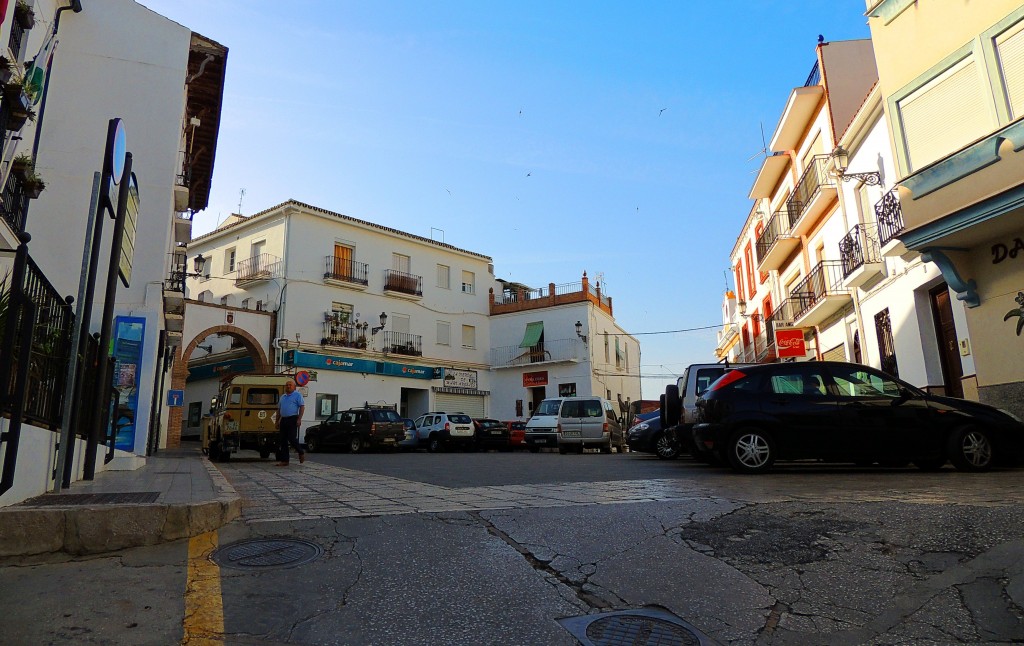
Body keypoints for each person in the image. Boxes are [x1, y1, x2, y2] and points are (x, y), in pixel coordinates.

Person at [276, 378, 306, 466]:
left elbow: (302, 407)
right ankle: (285, 460)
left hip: (293, 419)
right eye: (287, 385)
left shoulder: (297, 395)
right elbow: (279, 410)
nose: (288, 386)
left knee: (292, 438)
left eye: (290, 385)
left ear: (294, 387)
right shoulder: (283, 397)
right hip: (284, 419)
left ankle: (301, 452)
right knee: (283, 440)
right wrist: (277, 421)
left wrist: (299, 419)